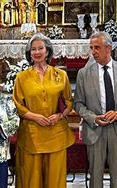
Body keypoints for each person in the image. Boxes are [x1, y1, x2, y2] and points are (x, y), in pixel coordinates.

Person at [73, 31, 117, 188]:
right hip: (95, 130)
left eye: (97, 47)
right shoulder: (83, 73)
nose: (93, 51)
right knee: (95, 177)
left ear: (108, 48)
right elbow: (78, 104)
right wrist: (93, 118)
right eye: (91, 47)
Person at [12, 33, 74, 188]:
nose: (37, 52)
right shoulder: (22, 77)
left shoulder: (61, 75)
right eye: (33, 49)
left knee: (55, 178)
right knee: (31, 177)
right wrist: (35, 117)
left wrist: (60, 115)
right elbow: (17, 104)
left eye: (41, 48)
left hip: (56, 134)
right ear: (29, 53)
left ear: (47, 51)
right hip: (31, 135)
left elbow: (69, 102)